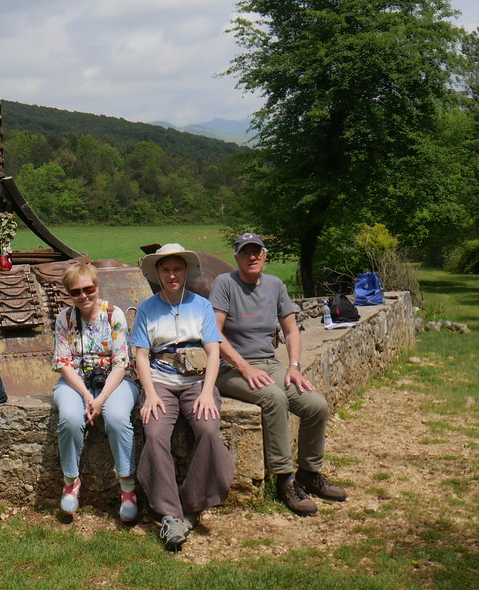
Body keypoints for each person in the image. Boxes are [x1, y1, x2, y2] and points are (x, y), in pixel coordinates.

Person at [209, 232, 347, 516]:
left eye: (257, 251)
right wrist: (244, 366)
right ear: (236, 257)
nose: (252, 257)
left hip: (270, 363)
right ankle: (285, 479)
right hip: (231, 367)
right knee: (274, 398)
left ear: (264, 256)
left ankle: (309, 473)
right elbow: (214, 332)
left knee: (316, 405)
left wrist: (294, 366)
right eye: (246, 252)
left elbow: (291, 330)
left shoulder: (275, 285)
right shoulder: (225, 283)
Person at [129, 244, 235, 551]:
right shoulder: (147, 308)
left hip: (196, 382)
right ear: (158, 274)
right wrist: (150, 393)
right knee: (155, 433)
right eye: (166, 270)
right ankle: (170, 515)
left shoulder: (201, 306)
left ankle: (191, 505)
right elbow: (141, 355)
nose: (172, 275)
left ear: (186, 272)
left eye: (177, 269)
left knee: (208, 430)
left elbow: (213, 352)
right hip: (160, 383)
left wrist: (207, 392)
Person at [52, 261, 140, 521]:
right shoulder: (64, 318)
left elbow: (121, 363)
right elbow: (63, 363)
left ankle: (127, 488)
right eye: (76, 292)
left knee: (117, 418)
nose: (83, 296)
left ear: (97, 286)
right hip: (76, 381)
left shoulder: (114, 315)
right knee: (70, 418)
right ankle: (71, 481)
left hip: (114, 380)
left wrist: (100, 398)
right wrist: (87, 395)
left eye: (88, 289)